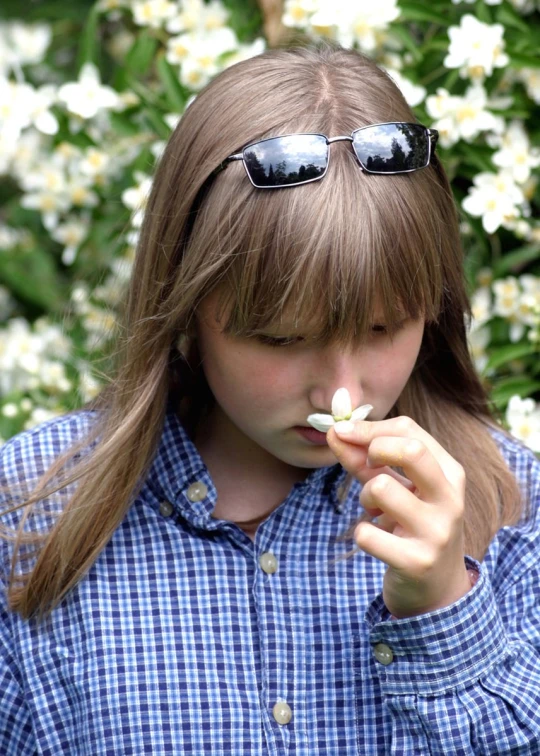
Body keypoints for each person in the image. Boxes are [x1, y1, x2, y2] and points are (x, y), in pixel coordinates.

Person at [1, 39, 539, 755]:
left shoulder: (512, 511)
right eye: (283, 340)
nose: (343, 393)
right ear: (182, 303)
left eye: (385, 328)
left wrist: (444, 609)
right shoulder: (28, 513)